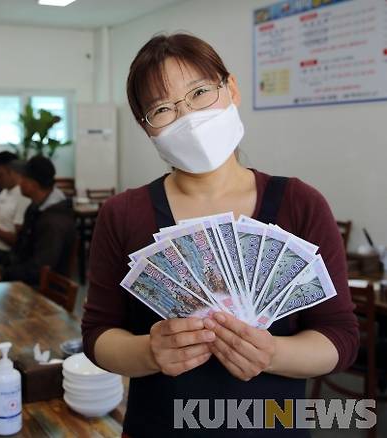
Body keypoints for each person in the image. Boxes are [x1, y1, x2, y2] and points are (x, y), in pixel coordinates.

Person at [81, 33, 359, 436]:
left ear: (231, 89)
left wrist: (273, 353)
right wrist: (149, 351)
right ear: (147, 128)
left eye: (199, 93)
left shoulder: (300, 204)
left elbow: (341, 338)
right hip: (158, 425)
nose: (188, 117)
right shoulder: (122, 214)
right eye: (163, 108)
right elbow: (97, 335)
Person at [0, 155, 76, 286]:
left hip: (43, 288)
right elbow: (21, 246)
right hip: (25, 278)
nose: (19, 184)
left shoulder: (53, 221)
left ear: (33, 185)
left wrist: (4, 274)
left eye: (22, 179)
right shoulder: (35, 207)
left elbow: (39, 268)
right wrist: (3, 269)